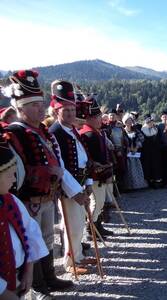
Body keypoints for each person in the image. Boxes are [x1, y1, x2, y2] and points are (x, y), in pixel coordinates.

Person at [4, 70, 86, 299]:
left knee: (47, 238)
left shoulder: (43, 132)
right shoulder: (14, 134)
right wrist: (45, 172)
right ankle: (37, 286)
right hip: (28, 200)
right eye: (33, 105)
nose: (40, 109)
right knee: (31, 242)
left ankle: (49, 278)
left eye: (41, 104)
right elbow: (15, 171)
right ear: (20, 109)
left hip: (48, 196)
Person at [48, 80, 94, 275]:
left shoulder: (72, 129)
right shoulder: (55, 132)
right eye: (65, 110)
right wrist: (75, 192)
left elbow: (84, 158)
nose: (70, 114)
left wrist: (89, 183)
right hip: (70, 189)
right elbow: (61, 167)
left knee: (79, 223)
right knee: (71, 225)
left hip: (81, 184)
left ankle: (78, 256)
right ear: (57, 111)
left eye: (72, 110)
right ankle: (71, 262)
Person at [0, 137, 48, 300]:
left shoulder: (11, 200)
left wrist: (29, 270)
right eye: (11, 174)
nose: (14, 180)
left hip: (19, 277)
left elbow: (30, 233)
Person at [78, 94, 115, 239]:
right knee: (97, 202)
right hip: (95, 176)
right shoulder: (88, 134)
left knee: (99, 203)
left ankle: (98, 225)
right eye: (98, 117)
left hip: (101, 173)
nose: (101, 120)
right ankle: (91, 229)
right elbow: (91, 158)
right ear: (90, 119)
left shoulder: (96, 132)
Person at [121, 113, 148, 190]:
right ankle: (130, 186)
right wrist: (127, 147)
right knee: (129, 169)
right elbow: (121, 141)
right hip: (127, 153)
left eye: (130, 121)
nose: (129, 123)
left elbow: (142, 139)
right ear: (124, 122)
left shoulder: (136, 130)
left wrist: (137, 147)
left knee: (137, 168)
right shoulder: (123, 131)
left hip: (135, 153)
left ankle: (138, 185)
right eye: (127, 121)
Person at [141, 114, 163, 188]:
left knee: (156, 166)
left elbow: (159, 139)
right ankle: (149, 182)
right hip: (147, 151)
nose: (151, 123)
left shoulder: (156, 128)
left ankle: (157, 182)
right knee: (148, 166)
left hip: (156, 151)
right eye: (149, 121)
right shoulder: (143, 129)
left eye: (151, 121)